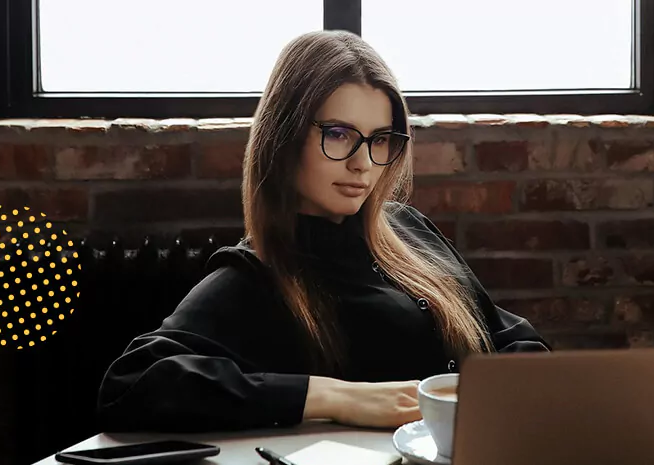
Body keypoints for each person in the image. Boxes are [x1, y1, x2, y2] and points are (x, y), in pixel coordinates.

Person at [96, 29, 551, 434]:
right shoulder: (257, 275)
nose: (363, 162)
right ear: (285, 136)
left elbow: (511, 337)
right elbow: (130, 383)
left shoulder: (407, 228)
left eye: (380, 139)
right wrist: (338, 398)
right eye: (338, 134)